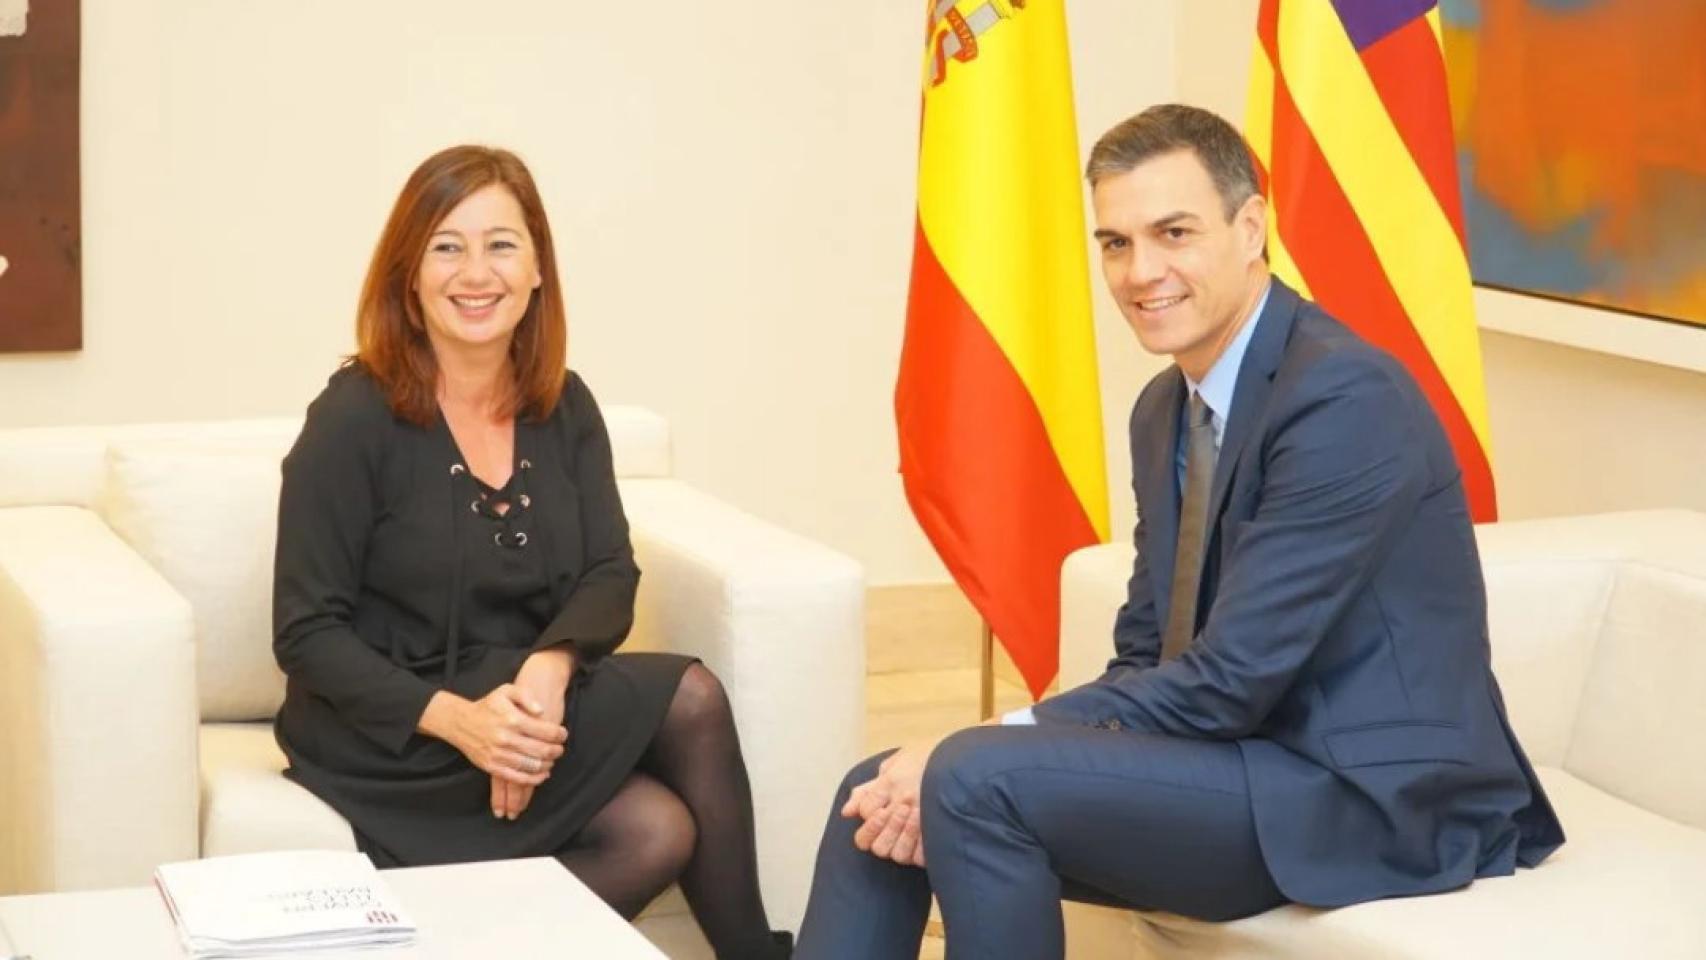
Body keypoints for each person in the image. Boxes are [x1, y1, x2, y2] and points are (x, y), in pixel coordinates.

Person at [795, 104, 1565, 959]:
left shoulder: (1345, 399)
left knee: (967, 775)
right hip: (1242, 762)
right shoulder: (1164, 409)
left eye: (1173, 232)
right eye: (1116, 243)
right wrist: (967, 752)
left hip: (1369, 795)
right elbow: (1145, 654)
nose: (1139, 271)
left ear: (1250, 228)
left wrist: (980, 742)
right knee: (876, 792)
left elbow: (1228, 680)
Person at [272, 145, 791, 959]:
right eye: (448, 245)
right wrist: (465, 727)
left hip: (521, 698)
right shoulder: (352, 418)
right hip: (396, 732)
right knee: (685, 710)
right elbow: (307, 634)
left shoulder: (564, 403)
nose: (476, 272)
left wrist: (548, 672)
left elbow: (609, 571)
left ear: (538, 268)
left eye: (501, 245)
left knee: (658, 824)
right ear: (408, 271)